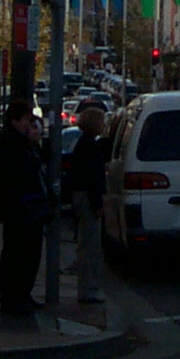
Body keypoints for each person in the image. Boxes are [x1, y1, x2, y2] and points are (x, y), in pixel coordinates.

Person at [0, 100, 51, 315]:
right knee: (18, 254)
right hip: (19, 207)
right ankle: (13, 297)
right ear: (15, 120)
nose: (28, 124)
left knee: (28, 254)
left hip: (24, 207)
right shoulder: (11, 141)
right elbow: (22, 172)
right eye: (25, 120)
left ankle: (22, 294)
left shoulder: (19, 141)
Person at [66, 105, 107, 304]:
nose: (104, 125)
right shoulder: (90, 147)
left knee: (87, 243)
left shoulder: (84, 145)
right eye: (101, 121)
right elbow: (93, 179)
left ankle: (88, 287)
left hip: (83, 196)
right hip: (88, 198)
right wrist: (98, 203)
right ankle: (88, 289)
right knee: (90, 245)